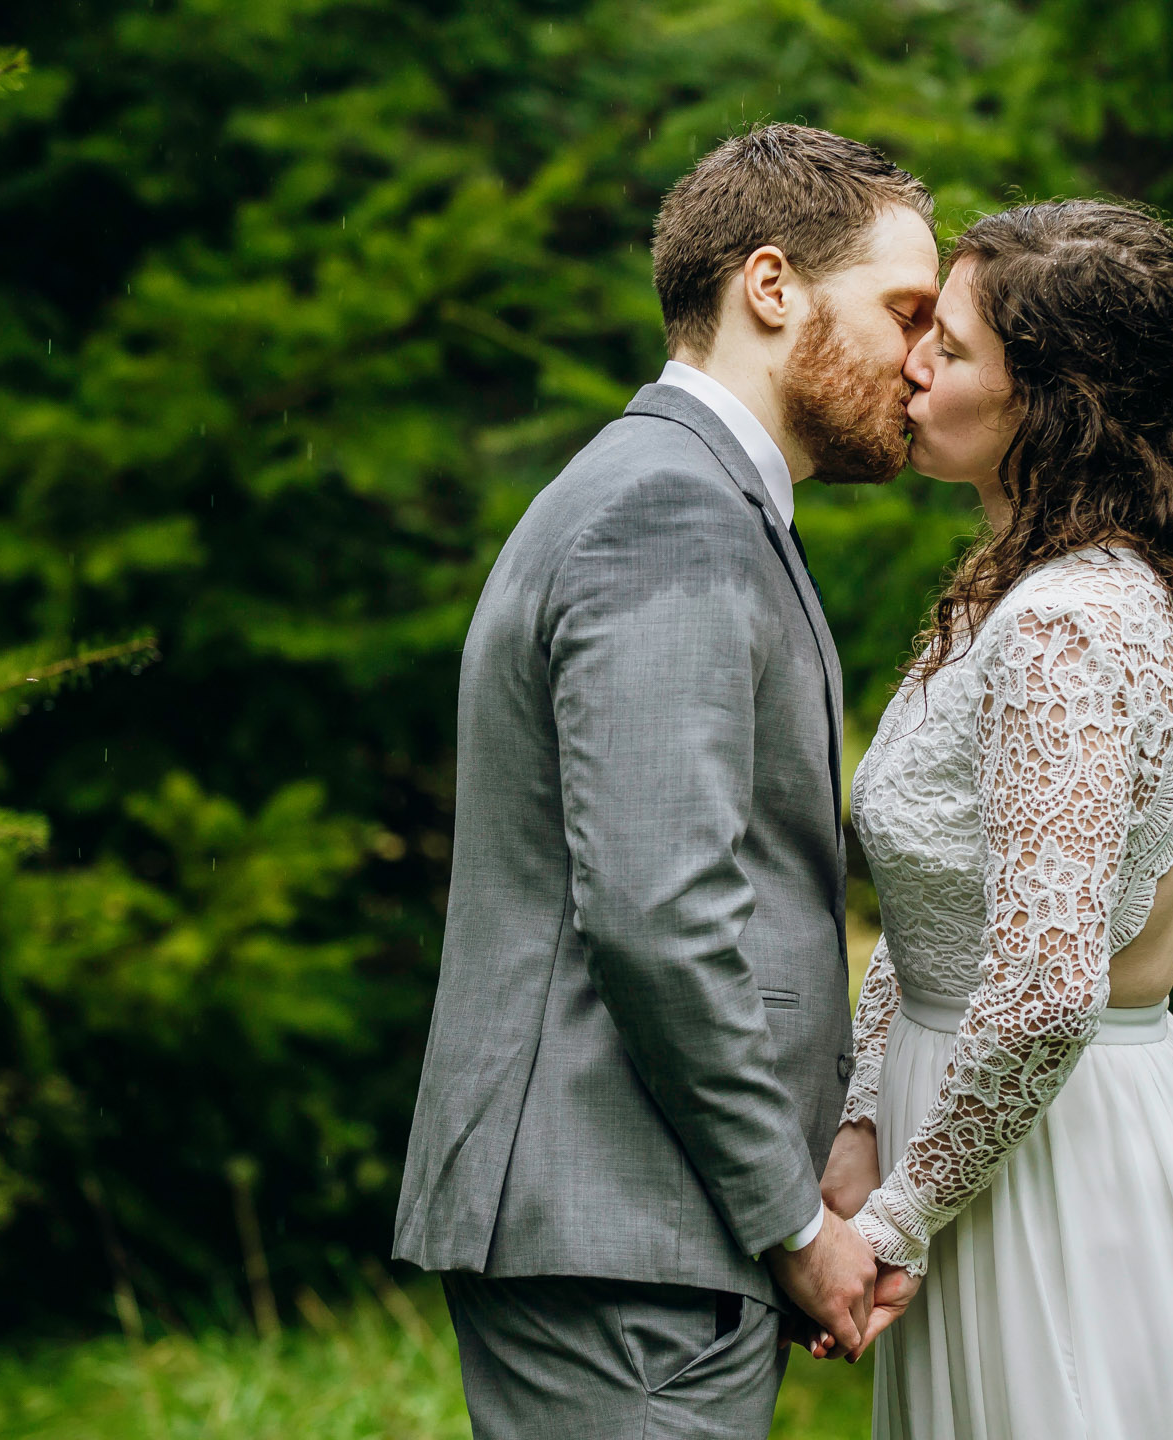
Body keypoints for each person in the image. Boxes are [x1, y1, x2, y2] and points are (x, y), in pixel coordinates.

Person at [391, 124, 940, 1440]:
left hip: (635, 1238)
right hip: (621, 1244)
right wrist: (793, 1220)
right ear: (770, 288)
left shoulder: (682, 495)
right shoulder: (672, 511)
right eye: (905, 311)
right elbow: (659, 907)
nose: (923, 361)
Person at [820, 200, 1173, 1439]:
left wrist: (898, 1216)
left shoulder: (1066, 628)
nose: (916, 356)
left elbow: (1045, 986)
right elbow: (939, 914)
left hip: (1060, 1167)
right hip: (982, 1131)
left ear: (1054, 401)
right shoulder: (1015, 587)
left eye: (956, 343)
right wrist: (865, 1114)